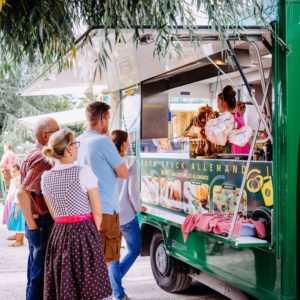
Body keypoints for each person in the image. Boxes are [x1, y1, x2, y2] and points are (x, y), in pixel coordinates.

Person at [41, 129, 112, 300]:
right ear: (69, 149)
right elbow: (97, 211)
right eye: (75, 143)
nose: (77, 148)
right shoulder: (83, 172)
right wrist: (94, 237)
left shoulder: (45, 177)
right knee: (90, 285)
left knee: (65, 283)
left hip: (58, 234)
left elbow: (54, 214)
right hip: (84, 233)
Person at [77, 102, 129, 267]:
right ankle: (101, 294)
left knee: (88, 262)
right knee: (104, 264)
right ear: (103, 120)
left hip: (84, 211)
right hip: (105, 209)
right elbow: (124, 173)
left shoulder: (76, 142)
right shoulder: (103, 142)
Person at [18, 117, 59, 300]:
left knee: (35, 272)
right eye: (56, 131)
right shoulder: (43, 158)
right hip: (41, 223)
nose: (60, 134)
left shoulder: (31, 154)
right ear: (44, 136)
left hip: (38, 223)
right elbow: (22, 193)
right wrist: (33, 225)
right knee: (40, 277)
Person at [109, 130, 146, 300]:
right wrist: (139, 208)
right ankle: (116, 290)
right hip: (126, 215)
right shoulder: (130, 162)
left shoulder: (107, 162)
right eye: (128, 141)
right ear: (123, 144)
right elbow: (133, 192)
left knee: (113, 255)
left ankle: (115, 288)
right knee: (135, 249)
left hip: (109, 214)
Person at [7, 164, 25, 247]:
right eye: (11, 171)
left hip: (18, 206)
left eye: (14, 171)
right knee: (21, 225)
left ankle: (18, 241)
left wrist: (16, 212)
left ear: (18, 171)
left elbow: (18, 201)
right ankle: (21, 241)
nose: (12, 173)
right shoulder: (19, 181)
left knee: (18, 225)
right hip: (21, 206)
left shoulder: (19, 187)